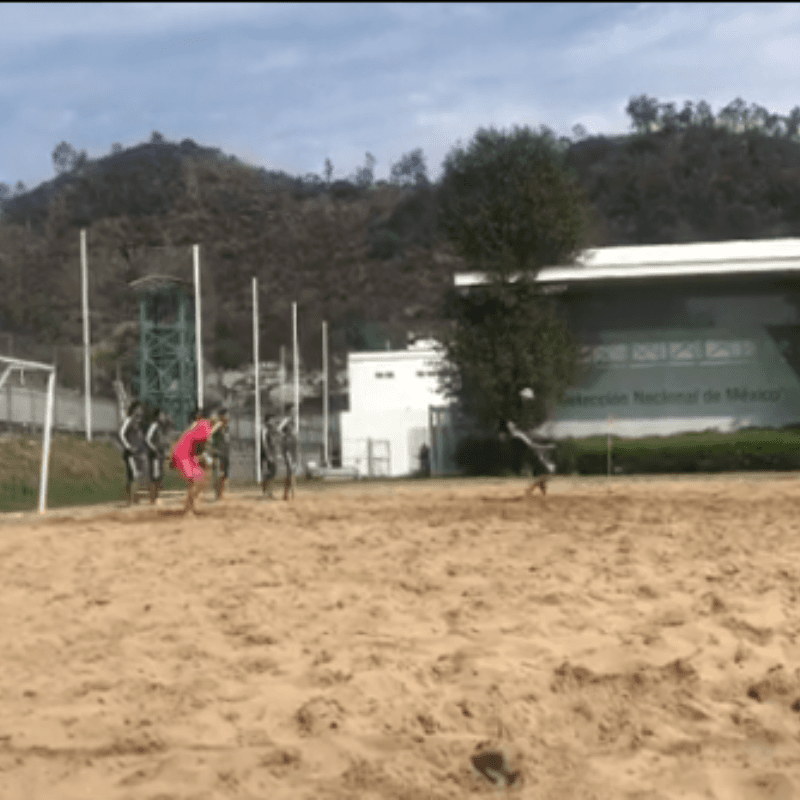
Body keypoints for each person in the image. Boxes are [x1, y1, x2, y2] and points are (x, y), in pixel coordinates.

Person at [170, 407, 223, 514]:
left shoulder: (203, 425)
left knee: (200, 480)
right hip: (183, 453)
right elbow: (204, 439)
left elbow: (200, 445)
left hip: (187, 454)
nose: (217, 418)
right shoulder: (203, 424)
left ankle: (189, 507)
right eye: (215, 415)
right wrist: (216, 427)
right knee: (199, 480)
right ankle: (188, 508)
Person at [119, 400, 146, 505]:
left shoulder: (138, 422)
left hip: (138, 452)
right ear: (133, 409)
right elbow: (121, 433)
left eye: (141, 409)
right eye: (138, 409)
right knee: (133, 475)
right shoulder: (129, 420)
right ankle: (130, 499)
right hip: (130, 453)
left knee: (136, 475)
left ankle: (133, 498)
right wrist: (128, 446)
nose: (140, 411)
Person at [145, 407, 169, 505]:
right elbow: (147, 438)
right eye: (162, 415)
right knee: (155, 476)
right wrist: (154, 449)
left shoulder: (160, 427)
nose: (163, 417)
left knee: (159, 476)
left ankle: (155, 497)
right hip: (155, 455)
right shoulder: (154, 425)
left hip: (160, 455)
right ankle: (153, 499)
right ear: (157, 416)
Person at [210, 407, 231, 501]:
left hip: (225, 453)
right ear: (221, 416)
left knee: (225, 474)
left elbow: (226, 440)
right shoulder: (218, 425)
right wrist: (213, 448)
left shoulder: (227, 427)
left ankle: (220, 493)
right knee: (219, 474)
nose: (228, 416)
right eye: (226, 415)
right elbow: (209, 434)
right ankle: (217, 494)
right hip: (218, 453)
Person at [277, 416, 297, 500]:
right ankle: (288, 494)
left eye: (292, 425)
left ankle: (287, 494)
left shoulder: (292, 436)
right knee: (290, 476)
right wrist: (290, 461)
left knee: (291, 476)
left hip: (293, 457)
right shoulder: (286, 438)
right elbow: (287, 451)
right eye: (290, 426)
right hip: (289, 458)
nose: (292, 427)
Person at [260, 414, 278, 499]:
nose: (273, 421)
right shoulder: (264, 429)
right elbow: (264, 443)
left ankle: (269, 492)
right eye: (272, 420)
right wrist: (268, 455)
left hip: (272, 453)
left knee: (273, 472)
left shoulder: (272, 430)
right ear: (267, 421)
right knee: (268, 472)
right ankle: (267, 492)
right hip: (265, 454)